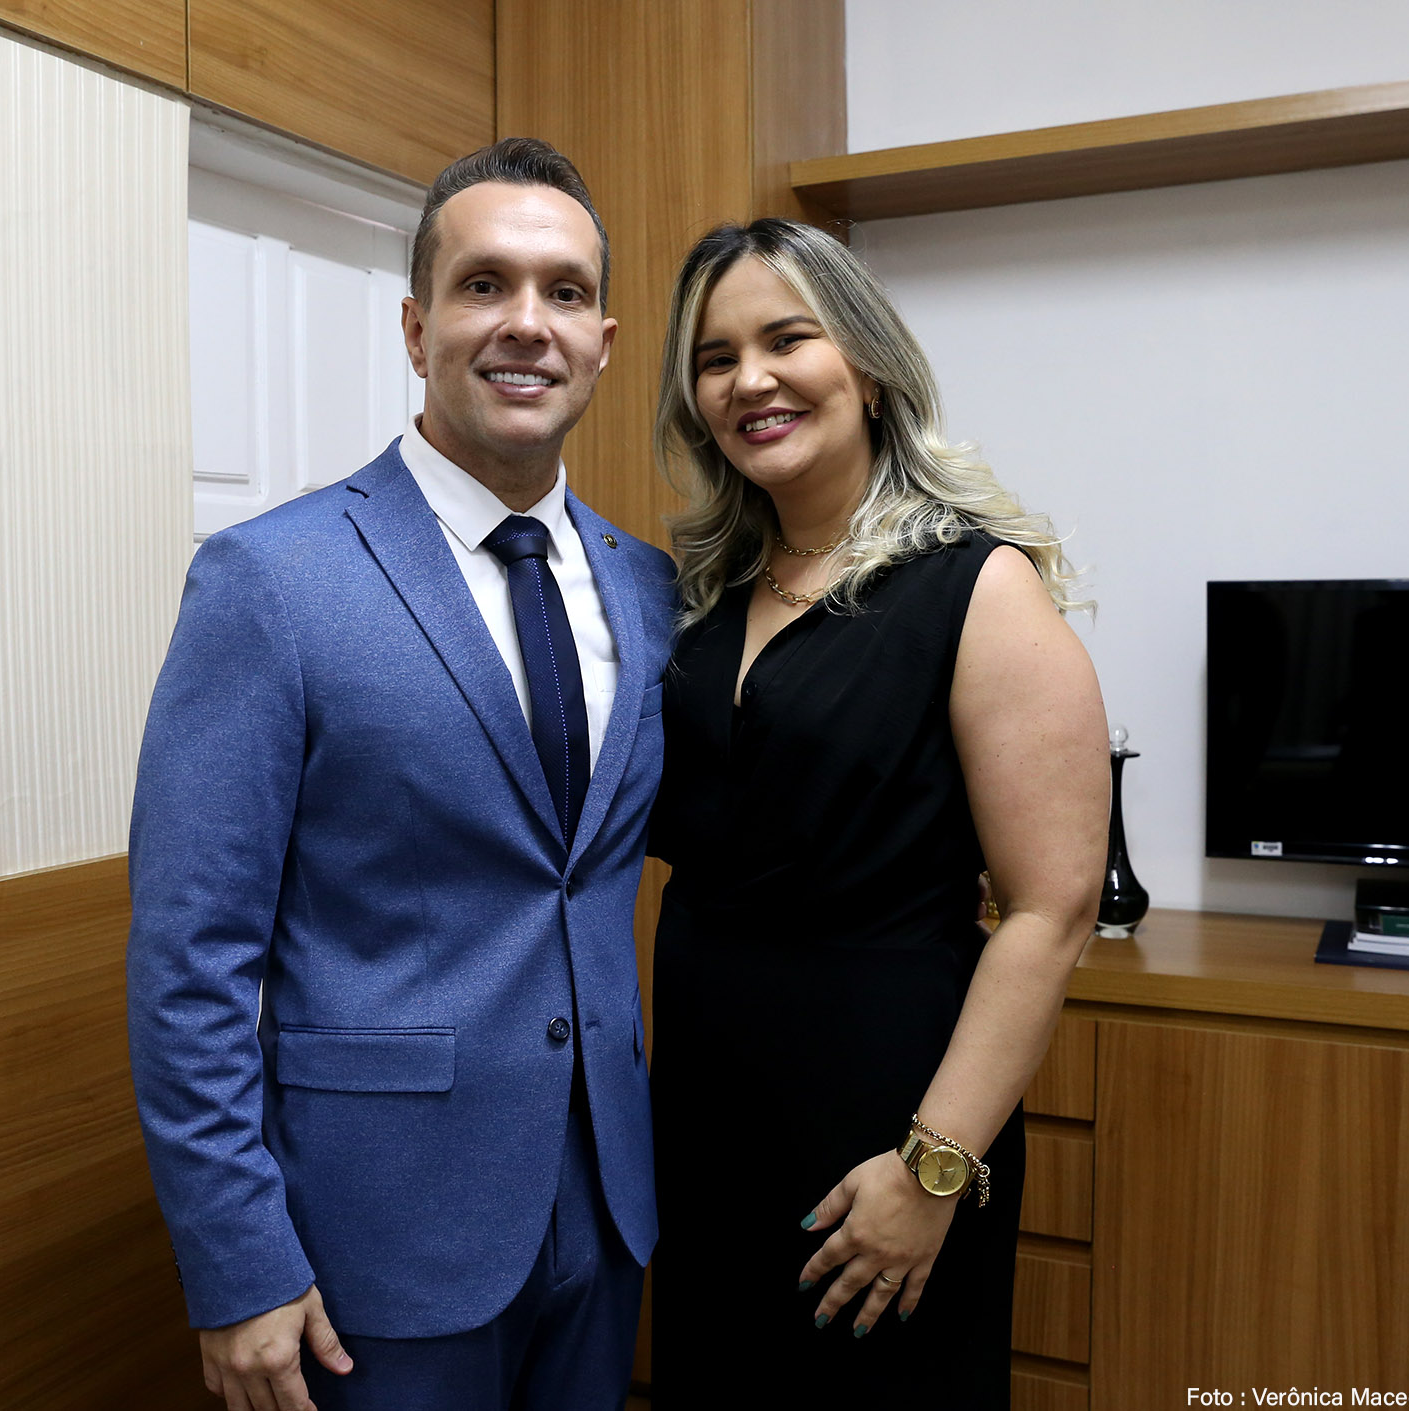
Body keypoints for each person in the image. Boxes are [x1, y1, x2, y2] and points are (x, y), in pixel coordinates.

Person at [126, 138, 675, 1411]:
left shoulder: (647, 587)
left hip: (604, 1214)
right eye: (484, 285)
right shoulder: (271, 581)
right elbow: (190, 959)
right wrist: (237, 1264)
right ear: (417, 328)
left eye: (563, 292)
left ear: (601, 342)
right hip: (371, 1238)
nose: (526, 322)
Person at [647, 218, 1109, 1403]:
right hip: (702, 1121)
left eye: (785, 339)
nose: (748, 379)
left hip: (886, 1129)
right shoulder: (698, 598)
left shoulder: (976, 585)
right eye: (714, 358)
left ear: (863, 363)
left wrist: (930, 1167)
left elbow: (1051, 910)